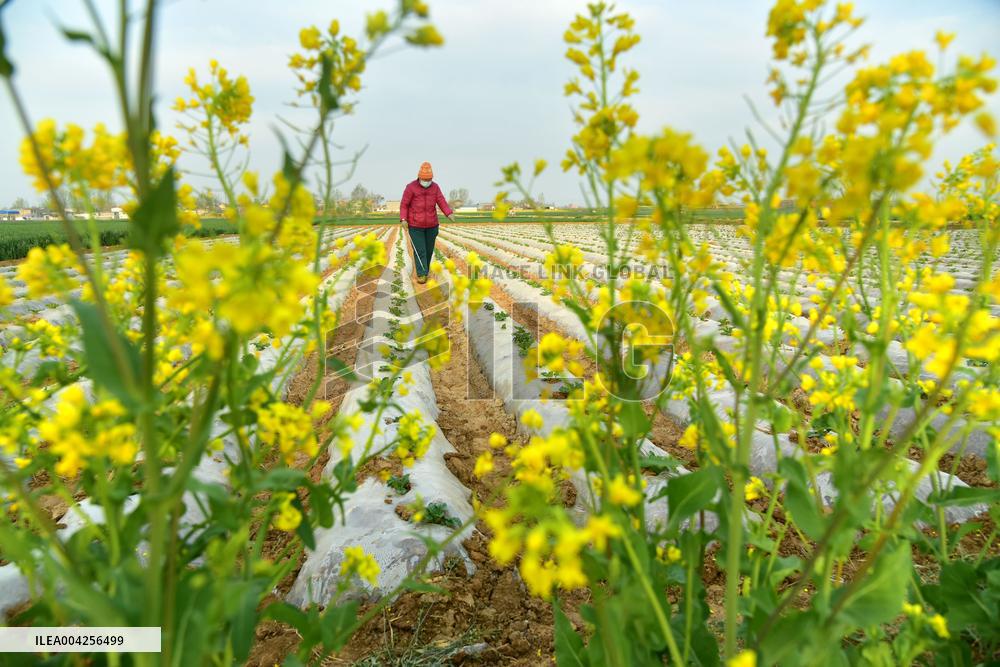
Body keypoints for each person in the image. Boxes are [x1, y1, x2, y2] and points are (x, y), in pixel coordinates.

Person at [400, 161, 455, 284]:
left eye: (429, 179)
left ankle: (425, 270)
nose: (427, 181)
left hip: (432, 225)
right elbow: (404, 204)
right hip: (415, 226)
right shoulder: (411, 187)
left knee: (429, 250)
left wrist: (448, 213)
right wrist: (403, 219)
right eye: (424, 179)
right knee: (420, 250)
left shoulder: (435, 187)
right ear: (419, 177)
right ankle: (421, 274)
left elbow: (441, 201)